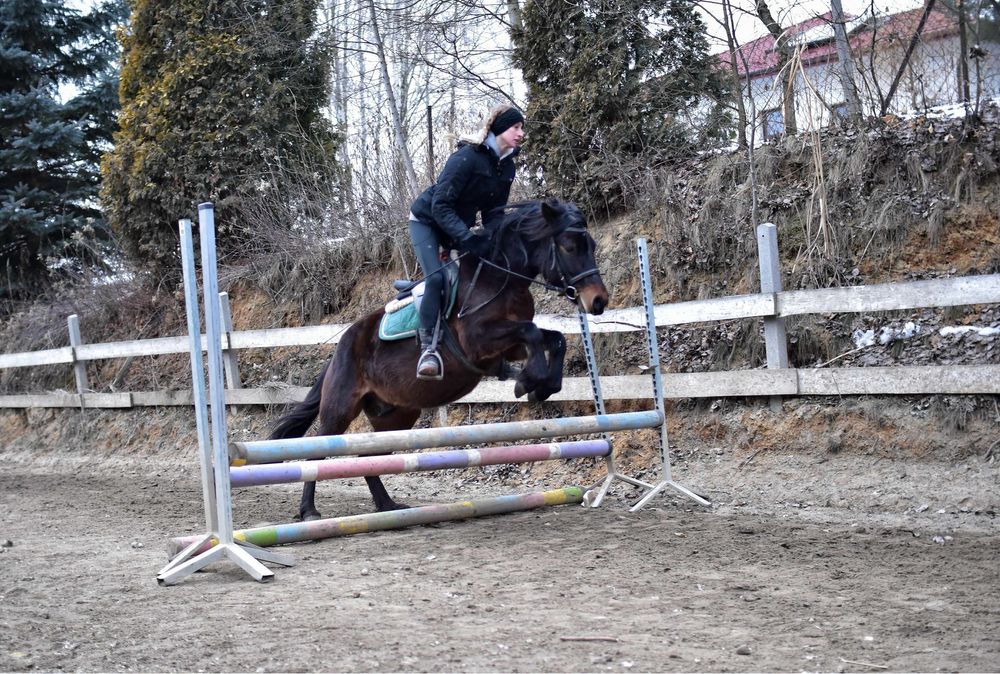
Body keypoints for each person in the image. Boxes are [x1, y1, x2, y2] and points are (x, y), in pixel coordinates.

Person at [407, 104, 525, 380]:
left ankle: (494, 357)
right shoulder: (466, 158)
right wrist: (468, 239)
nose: (521, 133)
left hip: (456, 229)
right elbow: (440, 207)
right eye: (515, 127)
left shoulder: (507, 167)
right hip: (427, 222)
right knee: (437, 280)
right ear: (499, 129)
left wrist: (495, 243)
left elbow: (494, 214)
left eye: (522, 128)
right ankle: (428, 350)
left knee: (483, 277)